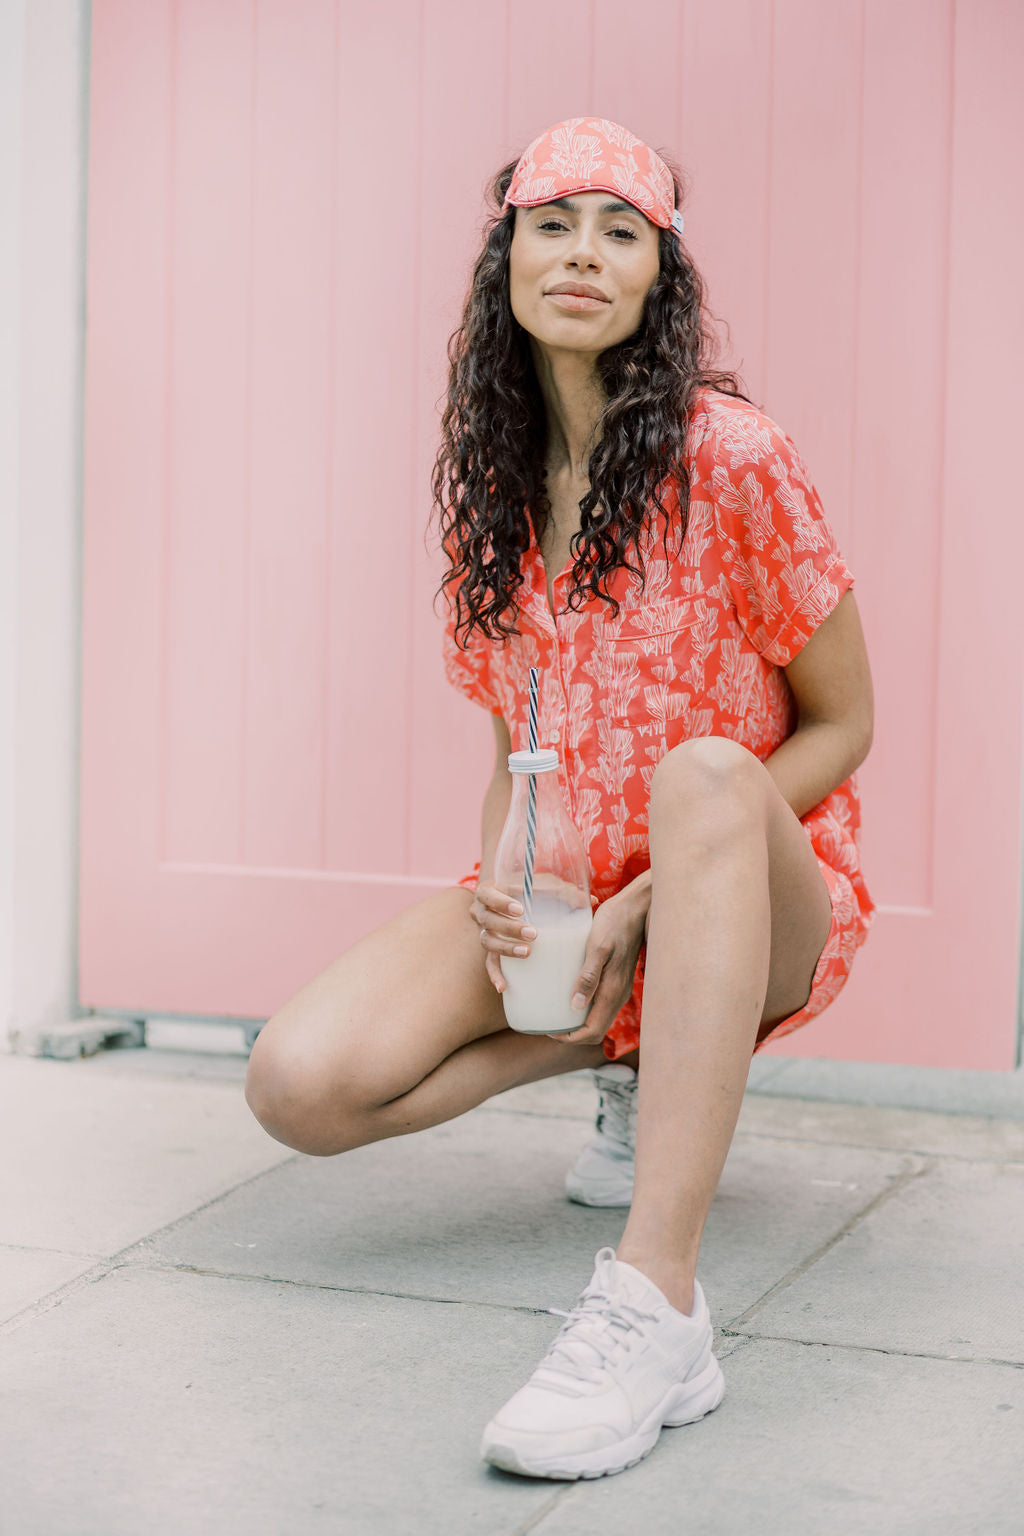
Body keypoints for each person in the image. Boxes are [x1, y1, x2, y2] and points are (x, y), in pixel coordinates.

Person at [244, 115, 876, 1482]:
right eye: (553, 222)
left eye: (621, 230)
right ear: (507, 260)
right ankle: (637, 1048)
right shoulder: (495, 484)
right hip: (584, 894)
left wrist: (662, 892)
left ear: (661, 278)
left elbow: (847, 722)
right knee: (299, 1085)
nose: (583, 252)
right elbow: (511, 743)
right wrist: (503, 892)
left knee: (704, 776)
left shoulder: (731, 454)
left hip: (760, 883)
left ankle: (657, 1307)